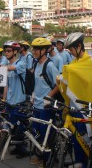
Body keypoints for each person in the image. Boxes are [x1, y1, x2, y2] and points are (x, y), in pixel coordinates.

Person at [58, 32, 92, 168]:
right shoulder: (75, 62)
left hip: (85, 104)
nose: (70, 52)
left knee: (84, 136)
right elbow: (72, 73)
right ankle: (79, 161)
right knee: (76, 136)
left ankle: (86, 161)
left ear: (79, 46)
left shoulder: (88, 61)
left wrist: (65, 72)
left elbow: (86, 79)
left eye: (71, 49)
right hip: (75, 105)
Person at [29, 37, 59, 167]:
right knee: (36, 132)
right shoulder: (36, 64)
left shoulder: (50, 65)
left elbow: (59, 84)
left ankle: (48, 159)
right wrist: (33, 95)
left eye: (37, 49)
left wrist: (48, 96)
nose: (34, 51)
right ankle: (40, 156)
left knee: (46, 133)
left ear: (44, 50)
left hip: (46, 106)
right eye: (33, 48)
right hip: (36, 105)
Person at [2, 41, 27, 158]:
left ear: (15, 52)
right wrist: (4, 99)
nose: (6, 53)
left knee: (19, 126)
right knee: (12, 125)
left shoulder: (20, 63)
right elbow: (6, 85)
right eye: (5, 51)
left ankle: (22, 149)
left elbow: (12, 68)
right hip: (10, 101)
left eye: (9, 51)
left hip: (19, 100)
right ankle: (17, 147)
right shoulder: (6, 66)